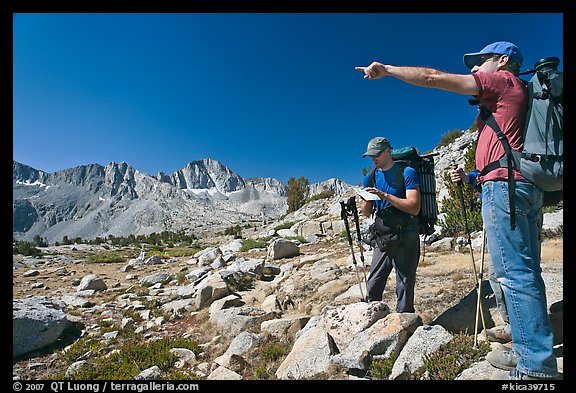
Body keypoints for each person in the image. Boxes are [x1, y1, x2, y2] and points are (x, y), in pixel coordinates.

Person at [356, 41, 558, 380]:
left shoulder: (504, 82)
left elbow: (434, 77)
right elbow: (511, 150)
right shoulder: (518, 93)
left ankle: (537, 369)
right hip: (517, 185)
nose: (475, 69)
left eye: (481, 61)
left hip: (505, 191)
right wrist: (472, 175)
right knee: (524, 271)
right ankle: (529, 352)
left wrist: (388, 70)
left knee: (515, 276)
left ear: (504, 61)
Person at [359, 136, 421, 313]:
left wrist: (384, 196)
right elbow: (366, 212)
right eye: (370, 156)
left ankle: (406, 322)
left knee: (405, 285)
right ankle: (373, 319)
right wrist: (365, 199)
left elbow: (414, 207)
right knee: (373, 283)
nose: (373, 159)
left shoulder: (407, 172)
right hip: (384, 236)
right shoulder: (370, 178)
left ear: (388, 151)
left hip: (406, 235)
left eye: (376, 154)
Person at [450, 167, 512, 345]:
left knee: (514, 275)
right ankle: (513, 326)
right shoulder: (487, 144)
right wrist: (468, 177)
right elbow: (483, 173)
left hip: (511, 210)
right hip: (497, 216)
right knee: (496, 276)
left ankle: (527, 334)